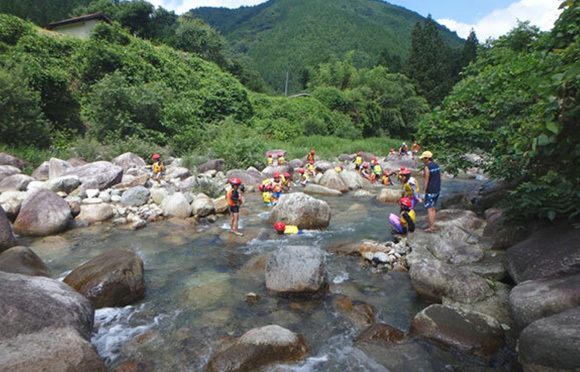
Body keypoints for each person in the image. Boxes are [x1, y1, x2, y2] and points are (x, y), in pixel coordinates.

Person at [420, 151, 441, 233]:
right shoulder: (436, 165)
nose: (422, 160)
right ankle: (432, 225)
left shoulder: (427, 167)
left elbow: (426, 179)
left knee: (429, 208)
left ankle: (431, 227)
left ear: (427, 158)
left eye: (423, 159)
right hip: (436, 189)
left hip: (430, 190)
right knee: (433, 208)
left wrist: (424, 191)